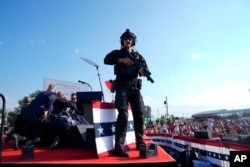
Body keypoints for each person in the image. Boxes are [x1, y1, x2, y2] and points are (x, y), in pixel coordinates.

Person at [104, 29, 150, 157]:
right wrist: (121, 61)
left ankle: (140, 143)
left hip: (135, 87)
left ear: (133, 41)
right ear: (122, 41)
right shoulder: (118, 53)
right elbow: (106, 59)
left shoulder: (139, 57)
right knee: (123, 115)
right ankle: (119, 147)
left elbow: (146, 70)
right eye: (125, 38)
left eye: (130, 39)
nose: (128, 40)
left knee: (140, 114)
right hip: (122, 86)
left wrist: (143, 72)